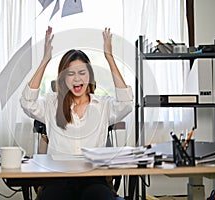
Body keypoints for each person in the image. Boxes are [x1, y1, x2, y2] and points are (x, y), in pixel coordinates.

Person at [20, 26, 133, 200]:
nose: (77, 78)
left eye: (82, 72)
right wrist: (45, 60)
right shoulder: (52, 103)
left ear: (90, 76)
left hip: (93, 181)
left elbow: (126, 103)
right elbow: (27, 102)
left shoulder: (103, 105)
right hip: (58, 180)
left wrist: (109, 57)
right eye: (70, 73)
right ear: (63, 78)